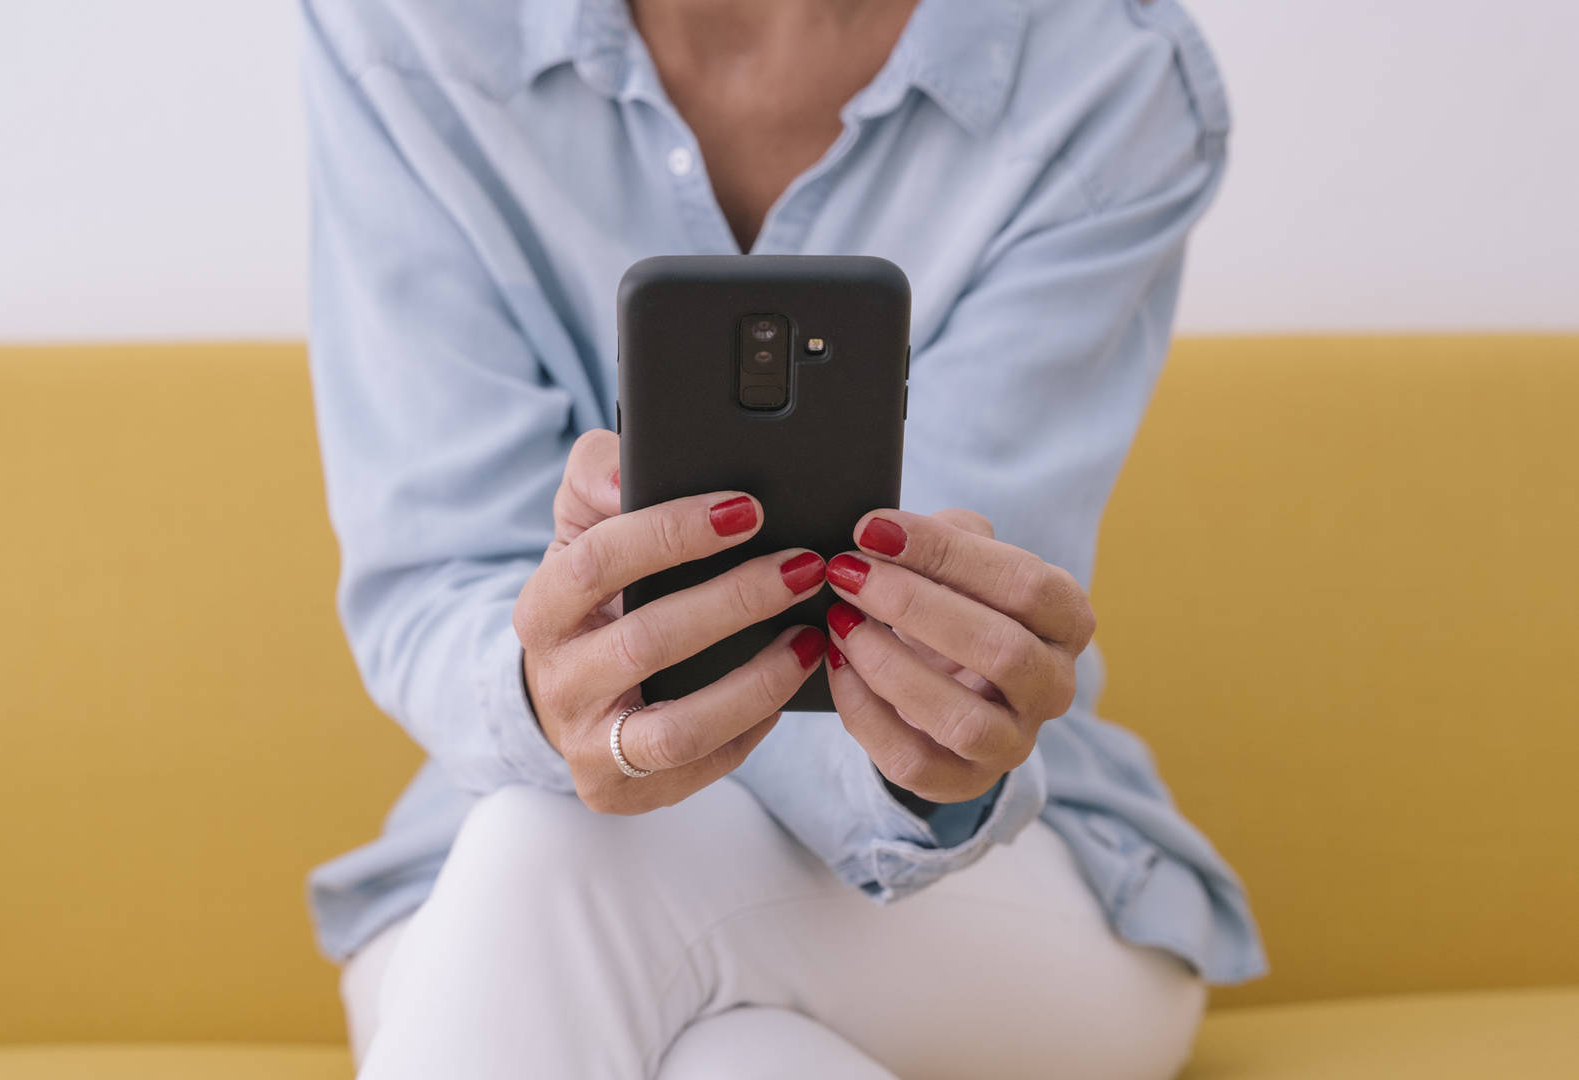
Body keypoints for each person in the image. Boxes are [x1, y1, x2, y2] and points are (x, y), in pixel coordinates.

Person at [300, 0, 1266, 1076]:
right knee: (731, 1050)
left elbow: (951, 619)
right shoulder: (407, 27)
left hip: (993, 886)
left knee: (549, 859)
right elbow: (437, 575)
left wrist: (933, 711)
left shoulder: (1103, 76)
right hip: (481, 873)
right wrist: (558, 692)